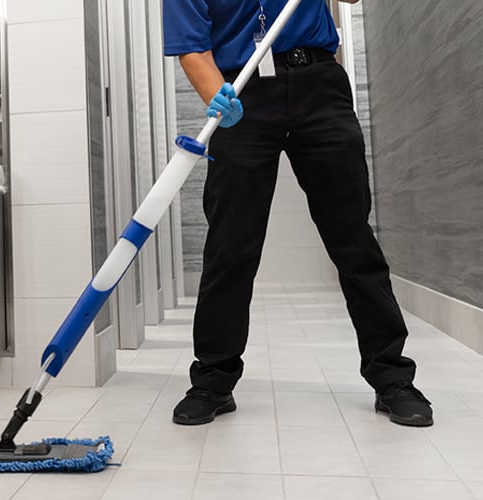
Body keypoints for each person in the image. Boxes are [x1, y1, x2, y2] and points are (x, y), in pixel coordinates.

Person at [163, 0, 433, 427]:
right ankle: (213, 381)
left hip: (320, 83)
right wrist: (219, 95)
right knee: (229, 246)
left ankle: (392, 377)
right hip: (242, 89)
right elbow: (192, 49)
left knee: (352, 239)